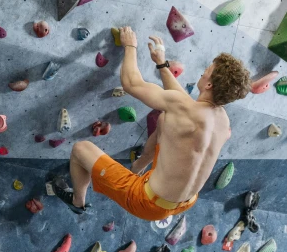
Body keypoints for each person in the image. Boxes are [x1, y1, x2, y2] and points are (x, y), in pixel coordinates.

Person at [53, 26, 251, 221]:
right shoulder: (222, 121)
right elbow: (183, 104)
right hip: (186, 202)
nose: (203, 72)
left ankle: (77, 202)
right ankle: (137, 167)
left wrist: (130, 46)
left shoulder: (183, 108)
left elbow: (132, 83)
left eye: (207, 71)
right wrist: (162, 64)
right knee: (165, 120)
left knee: (80, 149)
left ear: (209, 84)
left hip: (147, 202)